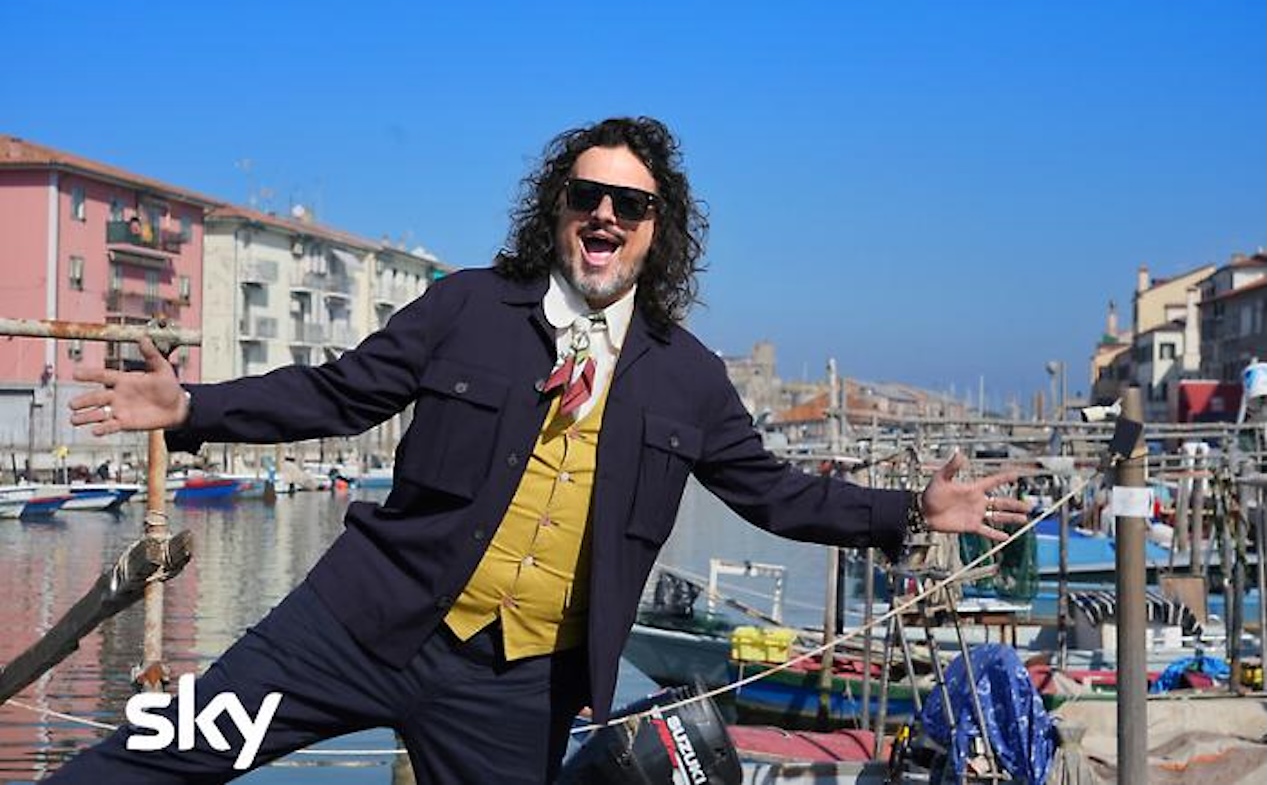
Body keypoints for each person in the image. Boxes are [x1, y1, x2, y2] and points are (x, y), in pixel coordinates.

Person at [55, 117, 1027, 784]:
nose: (605, 214)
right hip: (358, 625)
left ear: (656, 232)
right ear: (556, 207)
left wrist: (911, 511)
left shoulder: (687, 376)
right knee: (159, 753)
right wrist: (192, 407)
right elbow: (338, 392)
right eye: (586, 194)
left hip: (518, 684)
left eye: (629, 204)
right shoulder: (466, 307)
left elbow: (771, 492)